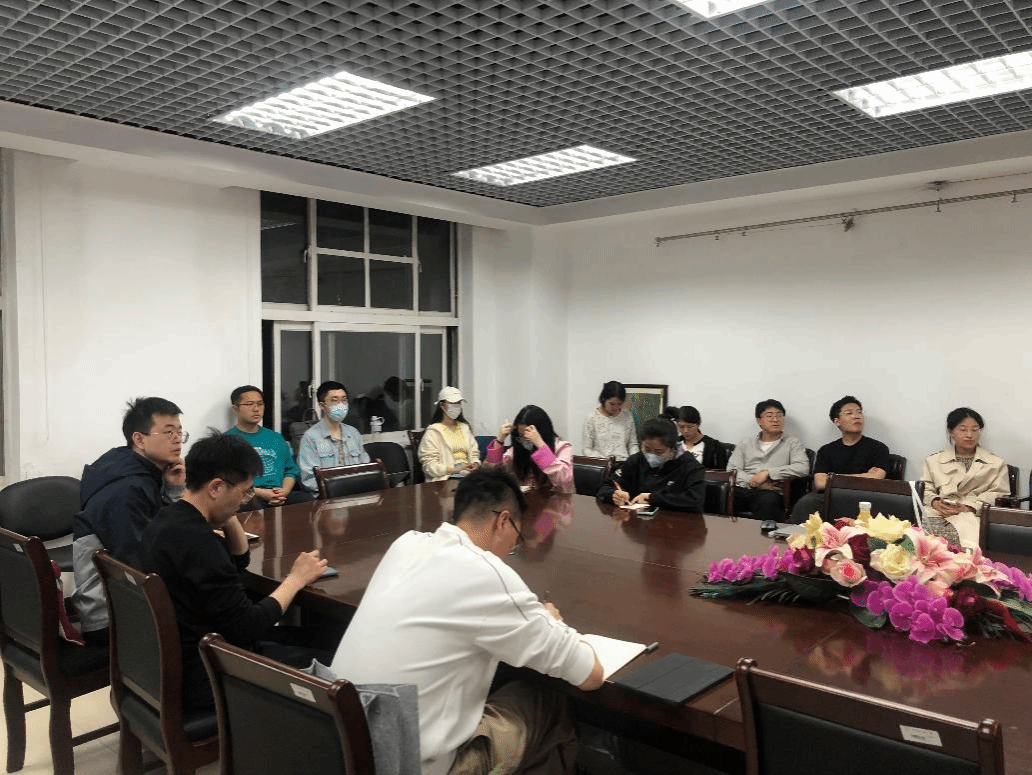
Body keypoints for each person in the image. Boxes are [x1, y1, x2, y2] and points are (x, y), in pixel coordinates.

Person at [330, 468, 603, 775]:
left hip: (343, 750)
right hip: (412, 767)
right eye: (514, 539)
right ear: (502, 521)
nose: (508, 553)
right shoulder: (486, 574)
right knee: (546, 700)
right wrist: (552, 621)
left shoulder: (406, 544)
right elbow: (590, 674)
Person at [141, 432, 329, 710]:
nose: (244, 502)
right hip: (212, 675)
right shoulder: (200, 543)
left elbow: (238, 563)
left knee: (316, 637)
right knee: (331, 656)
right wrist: (296, 579)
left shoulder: (169, 519)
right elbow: (247, 626)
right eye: (245, 492)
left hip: (183, 657)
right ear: (216, 487)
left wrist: (227, 516)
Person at [71, 397, 187, 642]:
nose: (177, 439)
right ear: (139, 439)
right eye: (168, 432)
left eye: (180, 432)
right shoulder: (127, 490)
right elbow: (138, 562)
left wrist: (173, 489)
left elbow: (160, 530)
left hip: (123, 599)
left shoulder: (127, 464)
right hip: (111, 619)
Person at [789, 396, 891, 522]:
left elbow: (876, 478)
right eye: (849, 413)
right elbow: (820, 483)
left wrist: (832, 478)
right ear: (837, 421)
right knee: (807, 502)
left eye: (859, 412)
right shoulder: (826, 450)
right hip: (833, 497)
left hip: (865, 499)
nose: (856, 416)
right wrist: (863, 476)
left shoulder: (878, 448)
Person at [921, 407, 1010, 550]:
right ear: (951, 432)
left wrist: (969, 507)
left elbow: (999, 494)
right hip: (935, 513)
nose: (969, 435)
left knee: (961, 545)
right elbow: (924, 489)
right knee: (909, 537)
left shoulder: (996, 463)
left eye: (975, 430)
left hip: (972, 516)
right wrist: (935, 502)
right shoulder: (933, 461)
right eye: (963, 429)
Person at [225, 385, 313, 506]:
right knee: (249, 505)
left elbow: (290, 471)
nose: (256, 409)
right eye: (249, 404)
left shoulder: (275, 437)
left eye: (260, 404)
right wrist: (263, 493)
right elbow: (229, 481)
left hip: (278, 492)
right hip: (250, 496)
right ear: (235, 409)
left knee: (306, 499)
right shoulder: (227, 441)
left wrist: (284, 491)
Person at [727, 399, 809, 527]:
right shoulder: (745, 443)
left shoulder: (792, 443)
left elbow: (802, 467)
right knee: (716, 494)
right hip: (743, 489)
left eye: (779, 415)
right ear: (759, 421)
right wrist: (753, 481)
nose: (775, 419)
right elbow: (732, 470)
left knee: (769, 501)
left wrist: (768, 473)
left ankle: (764, 538)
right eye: (769, 416)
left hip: (771, 492)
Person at [597, 418, 705, 512]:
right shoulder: (636, 460)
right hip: (636, 522)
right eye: (647, 449)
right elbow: (605, 486)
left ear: (673, 448)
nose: (651, 456)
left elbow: (695, 500)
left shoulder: (690, 467)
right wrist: (613, 494)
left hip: (677, 524)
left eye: (658, 451)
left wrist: (652, 498)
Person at [297, 380, 370, 491]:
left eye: (344, 400)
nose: (341, 405)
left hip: (357, 492)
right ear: (322, 405)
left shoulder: (353, 433)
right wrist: (337, 489)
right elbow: (309, 480)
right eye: (334, 400)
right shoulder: (310, 437)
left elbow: (366, 469)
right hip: (328, 496)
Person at [485, 405, 574, 493]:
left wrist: (540, 445)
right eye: (521, 436)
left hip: (555, 500)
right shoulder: (518, 448)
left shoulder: (562, 447)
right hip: (526, 499)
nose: (524, 440)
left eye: (528, 436)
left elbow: (564, 481)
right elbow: (491, 474)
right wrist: (499, 441)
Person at [418, 386, 481, 481]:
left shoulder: (464, 428)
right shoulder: (433, 432)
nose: (456, 406)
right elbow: (430, 466)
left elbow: (474, 453)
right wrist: (456, 470)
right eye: (452, 403)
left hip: (468, 476)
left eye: (458, 403)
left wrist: (475, 464)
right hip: (446, 478)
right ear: (442, 405)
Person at [581, 381, 639, 461]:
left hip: (623, 463)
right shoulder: (592, 418)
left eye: (619, 404)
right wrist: (602, 460)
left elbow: (632, 444)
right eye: (612, 404)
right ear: (603, 400)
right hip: (601, 463)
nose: (615, 408)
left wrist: (634, 460)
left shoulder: (627, 416)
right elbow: (586, 449)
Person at [673, 406, 729, 470]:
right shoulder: (673, 443)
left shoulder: (714, 447)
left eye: (690, 427)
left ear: (698, 424)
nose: (685, 431)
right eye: (681, 427)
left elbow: (721, 473)